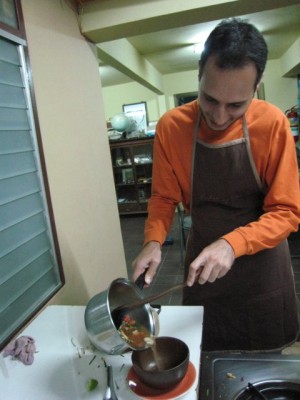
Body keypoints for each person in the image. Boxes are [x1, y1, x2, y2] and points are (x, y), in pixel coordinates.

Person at [132, 18, 300, 352]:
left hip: (262, 270)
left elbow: (287, 212)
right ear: (198, 73)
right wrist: (153, 241)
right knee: (205, 355)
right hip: (202, 267)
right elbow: (164, 197)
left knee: (262, 362)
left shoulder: (272, 124)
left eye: (236, 105)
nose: (220, 117)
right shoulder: (172, 127)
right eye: (209, 99)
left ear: (257, 86)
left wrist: (233, 244)